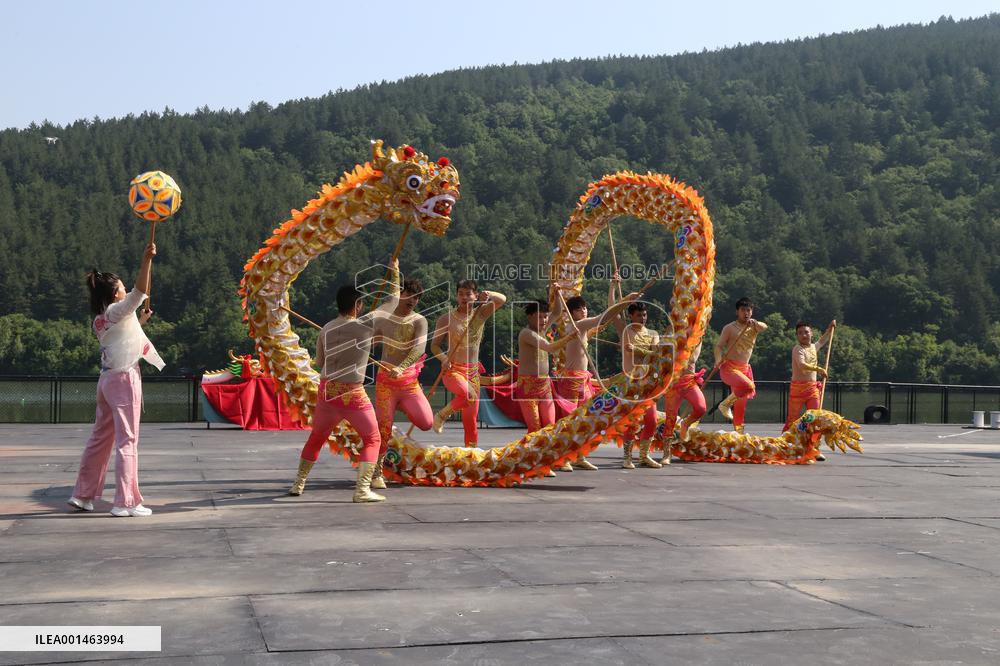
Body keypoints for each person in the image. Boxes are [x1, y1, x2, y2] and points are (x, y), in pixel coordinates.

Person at [288, 260, 399, 502]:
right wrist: (396, 272)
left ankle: (299, 483)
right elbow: (393, 303)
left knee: (317, 436)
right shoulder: (363, 325)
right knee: (372, 438)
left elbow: (319, 360)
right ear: (358, 306)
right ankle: (361, 490)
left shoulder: (326, 328)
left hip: (327, 390)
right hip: (351, 393)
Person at [69, 243, 165, 517]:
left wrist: (141, 322)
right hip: (124, 380)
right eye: (122, 288)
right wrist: (146, 259)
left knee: (100, 438)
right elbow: (140, 292)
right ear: (115, 294)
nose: (125, 291)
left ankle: (83, 496)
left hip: (106, 381)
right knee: (128, 440)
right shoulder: (115, 311)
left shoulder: (100, 320)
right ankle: (126, 502)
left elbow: (122, 336)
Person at [550, 286, 640, 471]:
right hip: (572, 378)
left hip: (583, 379)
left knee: (585, 420)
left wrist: (613, 289)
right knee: (572, 420)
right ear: (572, 313)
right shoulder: (577, 326)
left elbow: (602, 323)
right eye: (578, 309)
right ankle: (565, 458)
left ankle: (579, 455)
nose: (583, 311)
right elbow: (603, 318)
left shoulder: (580, 328)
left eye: (584, 308)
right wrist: (626, 300)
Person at [371, 277, 433, 489]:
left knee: (426, 423)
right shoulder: (384, 317)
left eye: (417, 298)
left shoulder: (419, 320)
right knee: (383, 428)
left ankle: (403, 406)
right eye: (410, 296)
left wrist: (402, 366)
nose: (414, 301)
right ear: (401, 294)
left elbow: (419, 349)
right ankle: (376, 471)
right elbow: (367, 340)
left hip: (408, 382)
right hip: (385, 383)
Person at [430, 280, 506, 447]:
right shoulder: (446, 319)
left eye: (468, 294)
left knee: (470, 419)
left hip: (473, 374)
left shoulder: (480, 314)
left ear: (475, 296)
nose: (464, 297)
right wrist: (444, 359)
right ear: (456, 296)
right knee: (468, 395)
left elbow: (502, 299)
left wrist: (490, 295)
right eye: (461, 294)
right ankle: (441, 415)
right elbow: (434, 345)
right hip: (454, 371)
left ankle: (470, 455)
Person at [610, 288, 666, 469]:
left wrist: (636, 350)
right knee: (631, 421)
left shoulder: (653, 334)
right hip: (630, 382)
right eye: (639, 315)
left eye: (644, 315)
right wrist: (613, 286)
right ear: (631, 316)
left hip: (647, 382)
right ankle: (627, 457)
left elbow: (656, 355)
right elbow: (612, 309)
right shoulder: (625, 330)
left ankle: (644, 455)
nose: (643, 318)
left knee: (651, 420)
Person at [516, 300, 578, 433]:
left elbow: (556, 312)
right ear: (530, 316)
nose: (544, 320)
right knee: (534, 428)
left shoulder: (543, 328)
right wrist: (568, 338)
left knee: (550, 426)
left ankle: (547, 454)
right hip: (528, 387)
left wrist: (557, 293)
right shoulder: (527, 333)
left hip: (544, 385)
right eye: (539, 317)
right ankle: (531, 453)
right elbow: (549, 347)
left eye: (545, 316)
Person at [783, 320, 836, 459]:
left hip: (812, 388)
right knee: (792, 419)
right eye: (800, 333)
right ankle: (785, 444)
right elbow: (801, 365)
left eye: (806, 332)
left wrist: (830, 328)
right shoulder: (797, 349)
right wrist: (818, 369)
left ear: (811, 333)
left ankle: (814, 449)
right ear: (797, 336)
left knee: (815, 419)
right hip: (797, 388)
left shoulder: (813, 347)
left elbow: (823, 340)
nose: (804, 335)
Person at [714, 297, 768, 434]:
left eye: (749, 310)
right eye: (743, 310)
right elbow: (719, 346)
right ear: (737, 311)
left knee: (740, 405)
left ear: (752, 312)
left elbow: (764, 327)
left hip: (744, 369)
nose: (746, 313)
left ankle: (739, 433)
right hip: (730, 368)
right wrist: (718, 359)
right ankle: (725, 404)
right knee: (749, 386)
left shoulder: (754, 326)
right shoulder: (729, 328)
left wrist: (755, 323)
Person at [658, 342, 707, 464]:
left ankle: (686, 424)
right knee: (670, 418)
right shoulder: (671, 338)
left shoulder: (697, 338)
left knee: (701, 408)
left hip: (689, 382)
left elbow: (693, 358)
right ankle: (666, 453)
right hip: (673, 383)